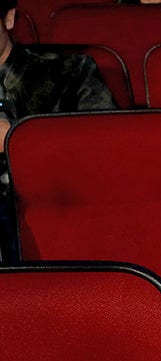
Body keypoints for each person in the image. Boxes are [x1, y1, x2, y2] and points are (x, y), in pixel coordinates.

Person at [0, 0, 115, 262]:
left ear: (8, 18)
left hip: (57, 216)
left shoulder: (70, 72)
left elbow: (107, 150)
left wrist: (20, 141)